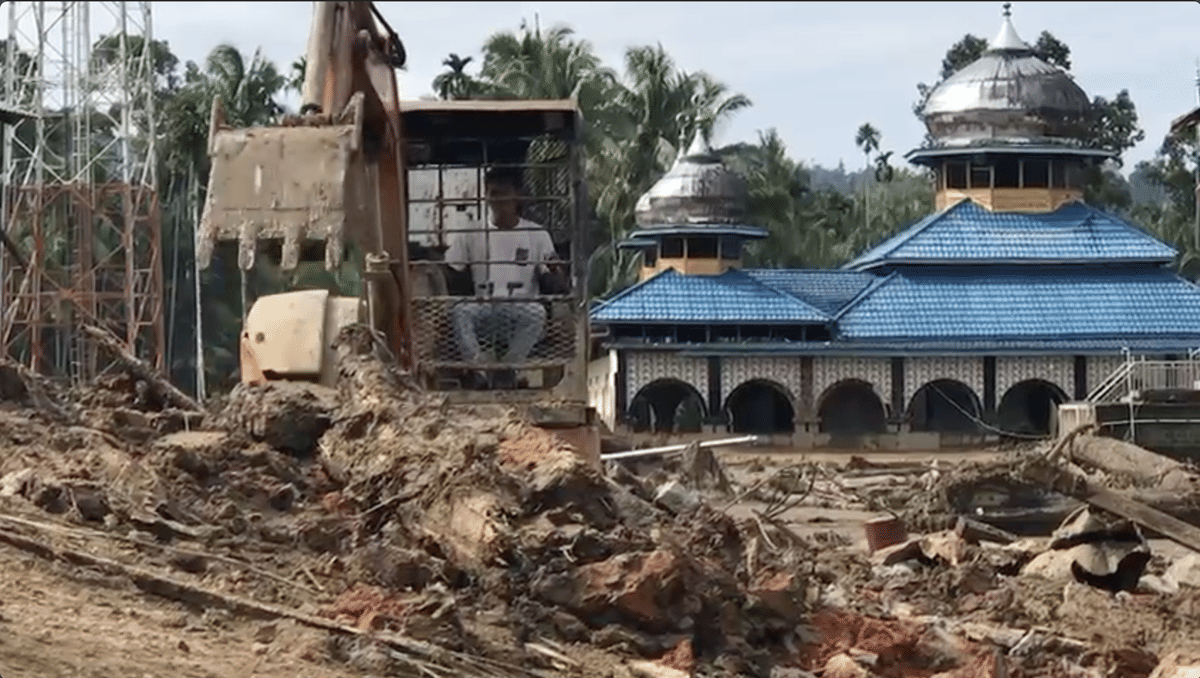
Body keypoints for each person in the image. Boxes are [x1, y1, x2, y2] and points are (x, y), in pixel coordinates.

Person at [443, 166, 567, 389]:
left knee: (537, 313)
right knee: (460, 312)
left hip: (520, 309)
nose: (498, 200)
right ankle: (479, 371)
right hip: (484, 308)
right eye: (493, 193)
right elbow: (451, 268)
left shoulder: (536, 234)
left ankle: (509, 369)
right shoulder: (471, 233)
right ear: (486, 196)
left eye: (504, 193)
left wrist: (556, 273)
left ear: (517, 195)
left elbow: (552, 277)